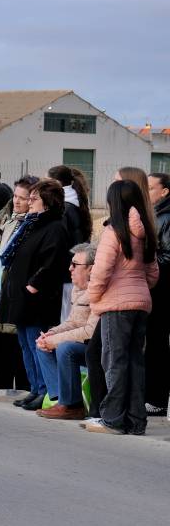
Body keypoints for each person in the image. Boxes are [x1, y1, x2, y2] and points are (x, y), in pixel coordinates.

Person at [83, 179, 159, 434]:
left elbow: (101, 271)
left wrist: (94, 298)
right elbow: (153, 273)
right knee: (135, 362)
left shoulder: (113, 231)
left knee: (114, 361)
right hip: (140, 303)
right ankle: (136, 421)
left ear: (113, 202)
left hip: (116, 305)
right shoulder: (145, 232)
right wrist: (137, 285)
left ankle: (113, 419)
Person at [0, 179, 72, 410]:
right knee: (25, 344)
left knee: (35, 344)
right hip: (21, 295)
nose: (29, 203)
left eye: (34, 199)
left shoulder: (55, 227)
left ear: (47, 202)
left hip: (36, 299)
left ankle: (44, 390)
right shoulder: (31, 224)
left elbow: (52, 262)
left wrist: (33, 286)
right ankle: (34, 388)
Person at [33, 243, 99, 420]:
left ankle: (72, 405)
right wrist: (51, 334)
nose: (70, 268)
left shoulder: (97, 290)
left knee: (65, 348)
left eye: (75, 265)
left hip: (96, 348)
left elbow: (90, 331)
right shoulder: (78, 289)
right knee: (42, 344)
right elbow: (72, 322)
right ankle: (60, 399)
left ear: (91, 269)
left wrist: (56, 340)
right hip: (82, 344)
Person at [145, 172, 170, 416]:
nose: (147, 191)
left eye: (151, 188)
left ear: (164, 192)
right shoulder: (153, 214)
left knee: (157, 345)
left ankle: (157, 399)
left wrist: (145, 265)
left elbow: (167, 257)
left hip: (161, 291)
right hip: (152, 289)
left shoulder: (166, 217)